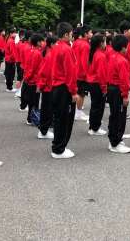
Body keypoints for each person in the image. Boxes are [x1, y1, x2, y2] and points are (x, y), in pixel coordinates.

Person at [50, 22, 79, 159]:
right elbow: (70, 73)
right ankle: (59, 149)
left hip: (57, 87)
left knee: (59, 119)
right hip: (64, 88)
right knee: (64, 120)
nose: (72, 36)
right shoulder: (66, 49)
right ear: (66, 34)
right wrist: (73, 92)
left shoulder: (56, 47)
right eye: (71, 34)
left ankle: (58, 146)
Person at [107, 34, 130, 154]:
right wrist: (125, 96)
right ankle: (115, 143)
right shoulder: (122, 61)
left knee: (114, 115)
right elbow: (124, 81)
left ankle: (113, 140)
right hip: (118, 90)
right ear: (123, 47)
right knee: (119, 117)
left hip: (111, 88)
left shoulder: (111, 56)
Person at [36, 36, 57, 140]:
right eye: (56, 43)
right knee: (46, 110)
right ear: (52, 44)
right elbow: (44, 73)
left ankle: (44, 130)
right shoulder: (50, 55)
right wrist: (41, 86)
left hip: (49, 86)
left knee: (48, 110)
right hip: (48, 87)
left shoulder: (50, 53)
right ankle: (43, 132)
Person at [86, 34, 107, 136]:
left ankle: (92, 126)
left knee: (94, 106)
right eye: (104, 41)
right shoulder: (101, 55)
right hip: (97, 83)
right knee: (99, 107)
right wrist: (104, 88)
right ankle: (95, 128)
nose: (105, 43)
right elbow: (101, 74)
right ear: (100, 43)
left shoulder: (93, 53)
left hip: (92, 82)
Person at [72, 25, 92, 122]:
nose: (92, 34)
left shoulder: (76, 42)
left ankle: (76, 112)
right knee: (81, 94)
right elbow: (85, 61)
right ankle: (78, 113)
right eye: (90, 32)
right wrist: (86, 74)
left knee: (77, 92)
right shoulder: (86, 45)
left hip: (75, 71)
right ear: (85, 34)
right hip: (81, 73)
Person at [23, 33, 44, 125]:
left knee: (32, 101)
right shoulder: (37, 53)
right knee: (34, 101)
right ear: (38, 42)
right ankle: (31, 119)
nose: (43, 43)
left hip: (31, 80)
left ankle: (31, 118)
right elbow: (33, 68)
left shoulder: (32, 51)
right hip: (34, 81)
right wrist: (28, 78)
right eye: (41, 41)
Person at [4, 28, 17, 92]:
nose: (15, 34)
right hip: (10, 60)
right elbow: (13, 52)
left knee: (8, 73)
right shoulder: (11, 41)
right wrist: (15, 59)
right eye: (14, 33)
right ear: (11, 34)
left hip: (8, 59)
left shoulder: (8, 39)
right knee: (10, 74)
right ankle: (9, 87)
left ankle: (9, 87)